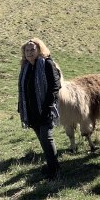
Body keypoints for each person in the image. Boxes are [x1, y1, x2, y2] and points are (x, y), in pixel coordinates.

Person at [17, 38, 62, 180]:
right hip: (31, 110)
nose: (29, 52)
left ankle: (54, 171)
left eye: (32, 49)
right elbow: (23, 89)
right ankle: (52, 166)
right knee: (42, 139)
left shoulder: (47, 63)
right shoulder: (25, 67)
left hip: (45, 108)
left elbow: (55, 86)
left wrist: (48, 106)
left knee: (46, 138)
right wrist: (21, 105)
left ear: (39, 50)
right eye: (27, 50)